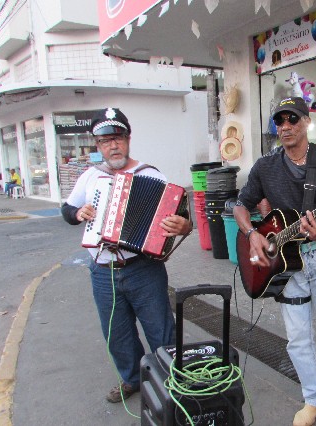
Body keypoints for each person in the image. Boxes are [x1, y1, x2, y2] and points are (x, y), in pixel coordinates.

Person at [234, 97, 316, 426]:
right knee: (298, 339)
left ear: (306, 121)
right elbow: (240, 205)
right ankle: (314, 398)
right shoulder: (265, 166)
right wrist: (252, 235)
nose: (285, 126)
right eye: (279, 120)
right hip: (286, 267)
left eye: (292, 118)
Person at [60, 107, 192, 403]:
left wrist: (184, 225)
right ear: (98, 146)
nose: (113, 145)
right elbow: (66, 210)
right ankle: (132, 379)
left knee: (160, 329)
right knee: (117, 334)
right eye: (106, 140)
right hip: (103, 271)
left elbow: (182, 218)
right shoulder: (90, 177)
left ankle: (172, 380)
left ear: (128, 139)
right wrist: (78, 212)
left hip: (143, 268)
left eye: (118, 137)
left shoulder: (150, 175)